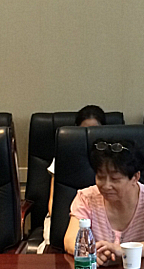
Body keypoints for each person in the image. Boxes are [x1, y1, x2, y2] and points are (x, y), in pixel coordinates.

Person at [64, 139, 144, 265]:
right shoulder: (86, 197)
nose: (106, 186)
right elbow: (70, 240)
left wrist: (121, 250)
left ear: (135, 177)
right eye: (100, 177)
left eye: (115, 179)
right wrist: (90, 253)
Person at [37, 105, 106, 253]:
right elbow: (53, 202)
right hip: (66, 218)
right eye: (84, 130)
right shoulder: (64, 156)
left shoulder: (110, 161)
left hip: (100, 219)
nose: (89, 135)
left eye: (95, 130)